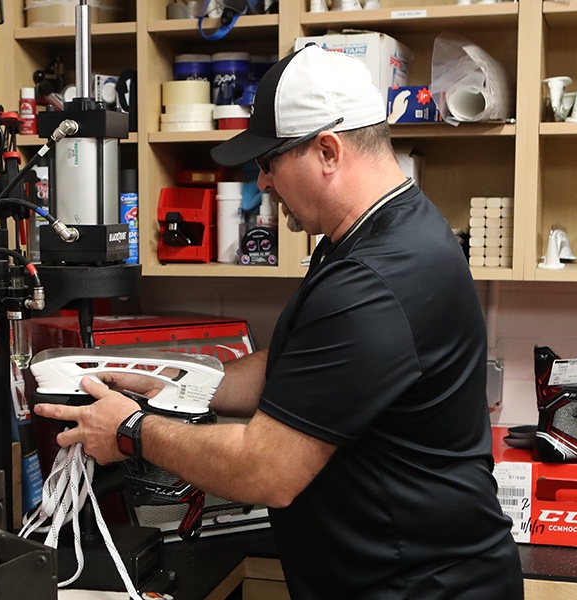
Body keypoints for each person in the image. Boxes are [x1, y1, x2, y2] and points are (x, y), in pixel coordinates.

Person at [34, 45, 523, 599]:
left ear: (328, 151)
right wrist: (180, 387)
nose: (262, 182)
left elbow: (265, 472)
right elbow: (304, 365)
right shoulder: (376, 233)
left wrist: (128, 431)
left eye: (269, 161)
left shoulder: (376, 280)